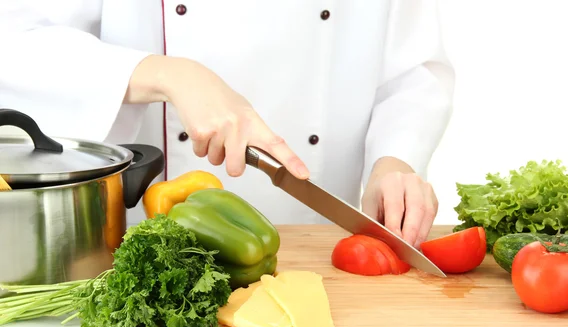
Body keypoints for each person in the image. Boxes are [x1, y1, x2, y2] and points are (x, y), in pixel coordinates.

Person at [0, 0, 454, 249]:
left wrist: (394, 161)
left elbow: (412, 72)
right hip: (138, 249)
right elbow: (14, 44)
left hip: (324, 249)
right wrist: (169, 74)